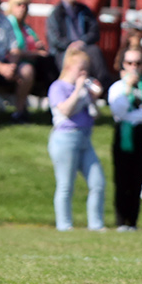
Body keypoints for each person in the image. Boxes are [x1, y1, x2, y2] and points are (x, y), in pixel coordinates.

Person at [46, 41, 104, 230]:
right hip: (65, 139)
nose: (84, 72)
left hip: (85, 137)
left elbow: (95, 115)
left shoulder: (85, 89)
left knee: (98, 183)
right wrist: (78, 89)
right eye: (81, 68)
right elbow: (65, 111)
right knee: (65, 185)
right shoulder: (58, 87)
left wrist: (94, 99)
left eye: (87, 69)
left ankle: (96, 224)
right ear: (69, 67)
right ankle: (64, 225)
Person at [107, 47, 142, 230]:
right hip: (123, 135)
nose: (134, 67)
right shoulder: (118, 88)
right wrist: (128, 88)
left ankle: (133, 221)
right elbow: (118, 110)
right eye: (130, 63)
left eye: (137, 63)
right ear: (124, 65)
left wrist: (130, 117)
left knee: (138, 179)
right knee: (122, 179)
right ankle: (121, 221)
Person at [47, 0, 109, 84]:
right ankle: (67, 90)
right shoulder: (56, 13)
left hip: (84, 47)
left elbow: (94, 32)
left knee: (95, 53)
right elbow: (55, 39)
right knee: (72, 62)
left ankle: (102, 89)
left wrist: (81, 42)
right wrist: (71, 44)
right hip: (64, 50)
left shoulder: (84, 11)